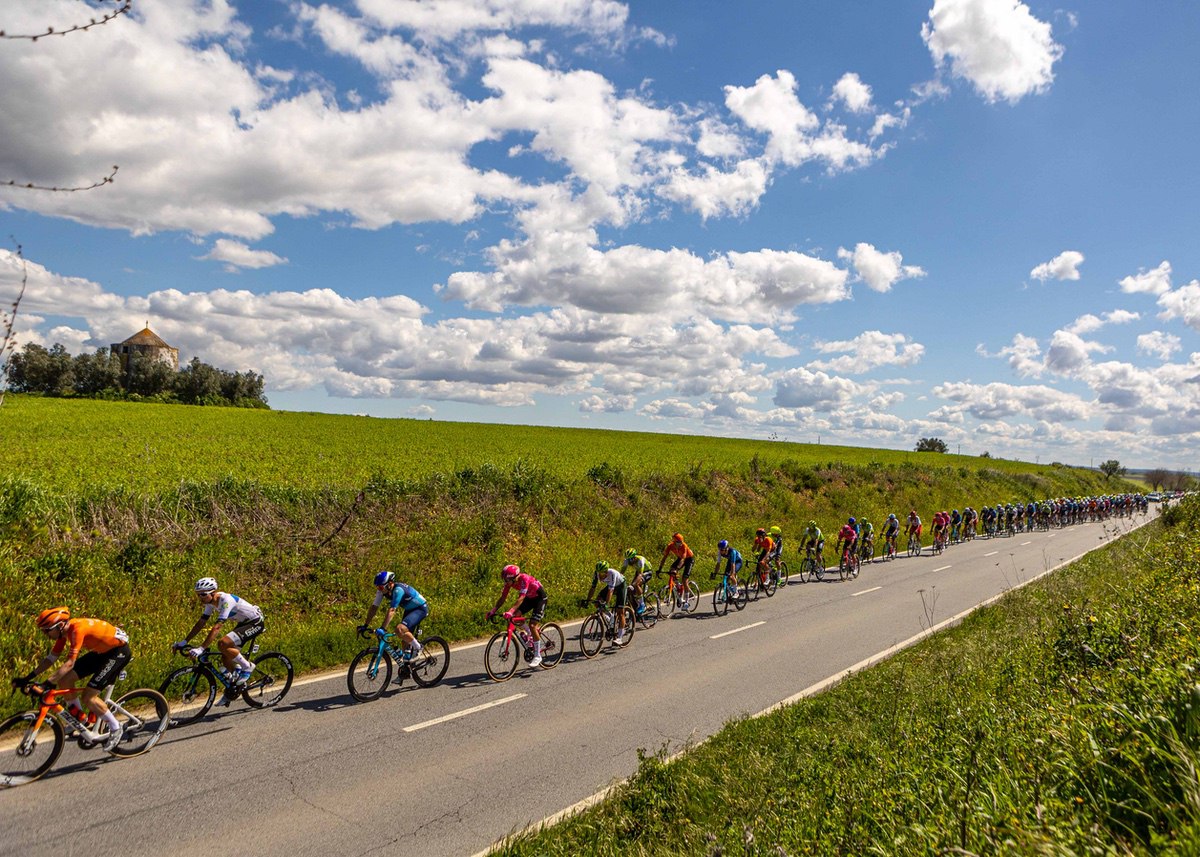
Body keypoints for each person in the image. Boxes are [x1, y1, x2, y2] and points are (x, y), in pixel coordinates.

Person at [19, 607, 131, 751]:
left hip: (118, 653)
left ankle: (116, 727)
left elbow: (70, 663)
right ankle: (80, 720)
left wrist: (47, 683)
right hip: (101, 652)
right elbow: (51, 659)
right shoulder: (63, 633)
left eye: (47, 630)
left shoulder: (77, 630)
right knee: (64, 681)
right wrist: (28, 677)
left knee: (89, 697)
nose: (45, 634)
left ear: (60, 625)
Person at [177, 577, 265, 706]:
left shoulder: (226, 601)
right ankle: (232, 691)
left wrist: (201, 648)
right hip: (244, 623)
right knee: (225, 658)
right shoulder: (209, 603)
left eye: (203, 594)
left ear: (213, 593)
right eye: (198, 594)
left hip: (255, 622)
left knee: (222, 643)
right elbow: (201, 623)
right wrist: (184, 641)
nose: (200, 597)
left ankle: (247, 667)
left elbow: (217, 627)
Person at [356, 571, 428, 665]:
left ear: (390, 584)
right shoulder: (383, 590)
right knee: (404, 641)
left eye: (381, 587)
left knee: (400, 629)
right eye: (377, 587)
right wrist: (365, 625)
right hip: (409, 609)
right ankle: (407, 668)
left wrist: (383, 628)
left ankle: (418, 648)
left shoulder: (398, 590)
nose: (379, 590)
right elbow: (374, 608)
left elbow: (392, 610)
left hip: (420, 609)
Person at [487, 564, 548, 668]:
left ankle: (537, 656)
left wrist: (510, 611)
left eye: (506, 580)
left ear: (514, 578)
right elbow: (502, 598)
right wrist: (493, 611)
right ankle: (530, 634)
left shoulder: (524, 579)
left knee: (532, 625)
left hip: (540, 599)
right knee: (515, 618)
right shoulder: (509, 583)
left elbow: (521, 598)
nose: (505, 582)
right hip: (530, 598)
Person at [582, 561, 628, 644]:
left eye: (602, 573)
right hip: (611, 586)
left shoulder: (612, 574)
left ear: (606, 572)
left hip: (621, 586)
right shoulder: (596, 574)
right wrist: (588, 600)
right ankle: (611, 617)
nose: (600, 575)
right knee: (597, 602)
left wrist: (606, 604)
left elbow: (610, 591)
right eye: (599, 573)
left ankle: (620, 637)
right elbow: (593, 588)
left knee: (620, 612)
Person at [658, 533, 695, 610]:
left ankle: (687, 601)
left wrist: (677, 569)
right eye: (678, 542)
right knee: (671, 571)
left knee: (684, 579)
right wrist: (660, 569)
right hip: (680, 558)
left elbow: (683, 560)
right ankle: (679, 586)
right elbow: (664, 558)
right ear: (674, 542)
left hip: (689, 559)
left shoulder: (684, 546)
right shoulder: (670, 546)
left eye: (681, 542)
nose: (680, 544)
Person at [619, 548, 651, 615]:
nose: (630, 561)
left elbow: (640, 574)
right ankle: (635, 607)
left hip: (646, 572)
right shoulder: (627, 560)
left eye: (631, 559)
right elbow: (622, 572)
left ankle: (642, 604)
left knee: (636, 584)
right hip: (638, 571)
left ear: (635, 557)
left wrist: (634, 584)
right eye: (628, 559)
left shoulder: (640, 560)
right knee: (630, 590)